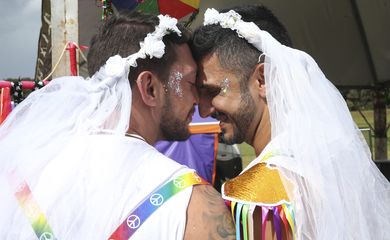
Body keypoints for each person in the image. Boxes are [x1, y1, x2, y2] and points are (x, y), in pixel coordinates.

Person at [0, 11, 235, 239]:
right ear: (150, 88)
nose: (198, 101)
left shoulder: (24, 179)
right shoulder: (194, 205)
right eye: (191, 83)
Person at [191, 5, 390, 240]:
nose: (203, 111)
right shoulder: (337, 165)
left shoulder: (261, 193)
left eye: (212, 91)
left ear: (262, 79)